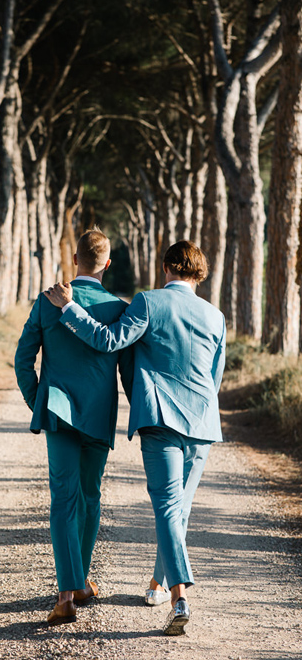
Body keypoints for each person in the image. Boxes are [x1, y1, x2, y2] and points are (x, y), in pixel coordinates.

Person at [44, 240, 226, 636]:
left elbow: (109, 341)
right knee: (180, 510)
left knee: (166, 508)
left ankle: (179, 595)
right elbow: (215, 378)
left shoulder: (148, 303)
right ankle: (158, 585)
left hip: (161, 421)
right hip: (203, 424)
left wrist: (69, 309)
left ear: (165, 269)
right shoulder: (216, 317)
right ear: (200, 273)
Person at [14, 228, 133, 626]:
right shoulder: (119, 308)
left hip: (59, 413)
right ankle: (79, 582)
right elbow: (130, 371)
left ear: (74, 258)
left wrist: (39, 402)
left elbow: (22, 359)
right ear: (107, 265)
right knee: (91, 495)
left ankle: (67, 595)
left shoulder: (48, 302)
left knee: (64, 499)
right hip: (99, 416)